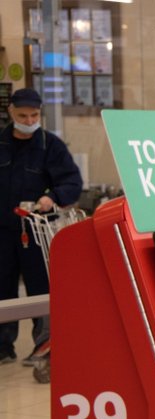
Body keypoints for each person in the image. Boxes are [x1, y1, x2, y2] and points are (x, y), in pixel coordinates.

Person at [0, 88, 82, 365]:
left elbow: (72, 182)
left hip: (35, 231)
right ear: (11, 112)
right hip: (2, 230)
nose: (29, 120)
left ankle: (43, 346)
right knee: (2, 288)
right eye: (22, 115)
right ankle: (3, 346)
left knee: (40, 289)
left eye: (34, 115)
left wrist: (53, 197)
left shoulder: (50, 145)